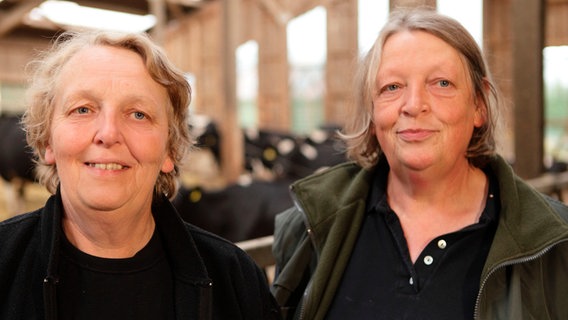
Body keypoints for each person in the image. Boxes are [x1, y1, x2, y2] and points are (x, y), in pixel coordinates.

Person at [271, 7, 568, 320]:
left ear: (479, 104)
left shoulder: (556, 243)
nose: (413, 105)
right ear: (372, 114)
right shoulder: (310, 228)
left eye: (441, 83)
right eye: (392, 87)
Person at [0, 30, 280, 320]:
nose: (108, 134)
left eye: (138, 114)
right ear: (48, 141)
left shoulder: (236, 280)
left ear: (169, 149)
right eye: (82, 109)